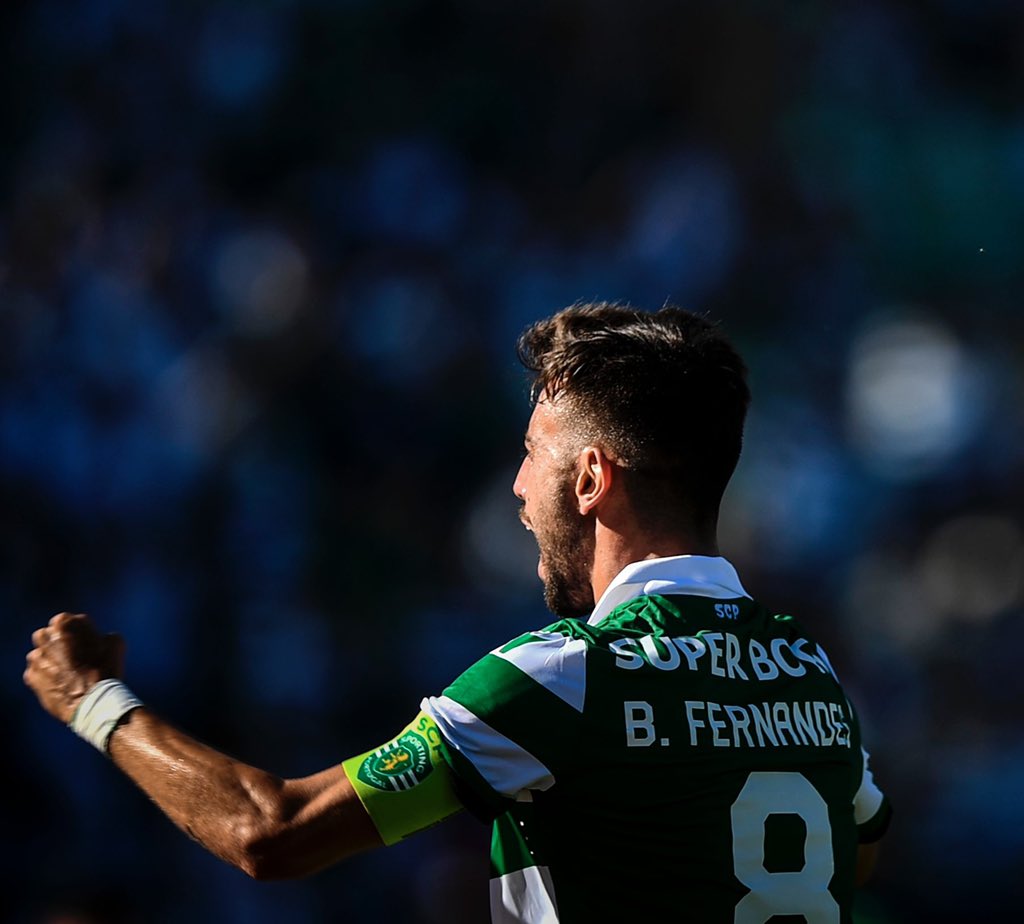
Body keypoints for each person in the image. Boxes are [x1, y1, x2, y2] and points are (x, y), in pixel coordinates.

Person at [25, 303, 890, 923]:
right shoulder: (810, 677)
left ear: (590, 480)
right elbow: (861, 850)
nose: (517, 489)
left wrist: (92, 701)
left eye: (529, 455)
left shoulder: (560, 680)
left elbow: (271, 833)